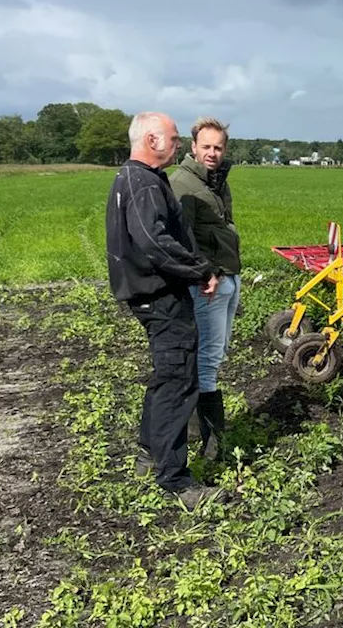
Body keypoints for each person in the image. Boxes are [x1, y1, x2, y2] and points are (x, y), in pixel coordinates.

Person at [104, 111, 221, 508]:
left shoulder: (136, 178)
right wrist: (199, 270)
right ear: (152, 141)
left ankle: (148, 453)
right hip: (160, 295)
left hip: (150, 293)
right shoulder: (142, 183)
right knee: (178, 379)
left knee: (166, 374)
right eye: (172, 139)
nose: (175, 145)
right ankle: (175, 480)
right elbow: (153, 243)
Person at [170, 116, 240, 462]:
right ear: (193, 147)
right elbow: (184, 238)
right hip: (209, 282)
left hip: (226, 276)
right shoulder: (183, 183)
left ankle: (200, 431)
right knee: (208, 359)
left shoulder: (215, 181)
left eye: (218, 147)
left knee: (216, 352)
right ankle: (214, 444)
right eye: (207, 147)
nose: (213, 152)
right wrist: (206, 273)